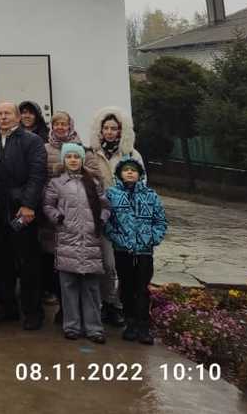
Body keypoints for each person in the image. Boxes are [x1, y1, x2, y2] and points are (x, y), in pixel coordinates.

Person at [0, 101, 48, 330]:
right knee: (2, 262)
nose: (3, 117)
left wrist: (28, 204)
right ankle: (6, 307)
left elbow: (38, 174)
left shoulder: (32, 141)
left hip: (21, 212)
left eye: (8, 113)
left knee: (28, 262)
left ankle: (32, 312)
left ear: (18, 117)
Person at [43, 143, 109, 342]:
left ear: (82, 160)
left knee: (91, 287)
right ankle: (71, 325)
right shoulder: (56, 184)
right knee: (68, 286)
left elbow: (105, 205)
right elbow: (47, 204)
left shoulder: (93, 183)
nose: (73, 160)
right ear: (64, 160)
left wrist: (102, 219)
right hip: (67, 240)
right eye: (69, 156)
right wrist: (58, 217)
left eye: (76, 156)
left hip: (90, 240)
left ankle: (94, 328)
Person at [86, 105, 141, 327]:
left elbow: (141, 182)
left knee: (125, 264)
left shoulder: (131, 154)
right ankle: (105, 302)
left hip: (125, 216)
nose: (109, 132)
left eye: (114, 128)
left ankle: (117, 304)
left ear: (121, 131)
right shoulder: (92, 153)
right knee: (107, 264)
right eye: (106, 128)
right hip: (102, 214)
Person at [105, 159, 167, 344]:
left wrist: (152, 238)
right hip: (122, 249)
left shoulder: (150, 195)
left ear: (140, 174)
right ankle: (130, 322)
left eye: (134, 170)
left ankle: (143, 325)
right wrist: (116, 237)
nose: (130, 173)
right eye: (126, 170)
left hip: (144, 251)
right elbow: (107, 221)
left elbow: (161, 221)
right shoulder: (112, 195)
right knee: (127, 285)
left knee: (142, 288)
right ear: (120, 174)